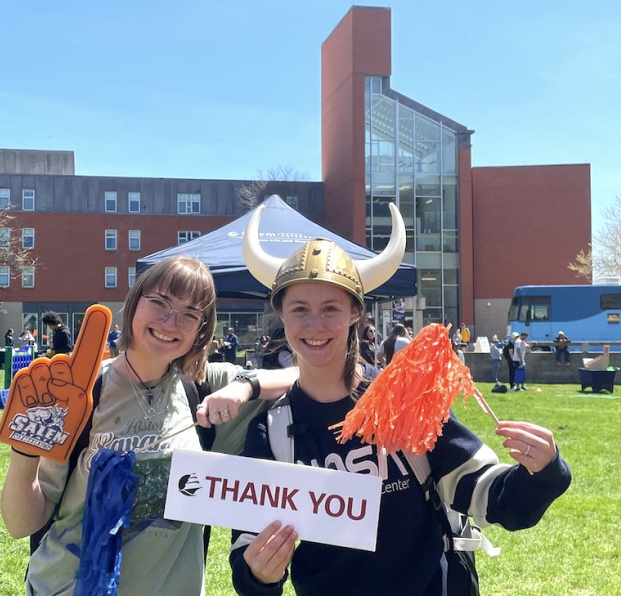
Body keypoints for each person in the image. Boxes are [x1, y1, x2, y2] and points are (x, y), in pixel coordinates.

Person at [231, 203, 571, 595]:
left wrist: (543, 470)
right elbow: (247, 546)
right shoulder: (272, 430)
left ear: (355, 313)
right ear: (282, 317)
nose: (315, 325)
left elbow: (495, 498)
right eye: (299, 309)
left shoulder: (405, 400)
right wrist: (259, 575)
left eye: (330, 308)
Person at [0, 256, 298, 595]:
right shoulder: (83, 392)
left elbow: (303, 376)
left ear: (202, 328)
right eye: (159, 303)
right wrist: (24, 449)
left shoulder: (204, 387)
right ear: (134, 303)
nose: (171, 322)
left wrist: (246, 385)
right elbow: (20, 524)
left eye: (190, 314)